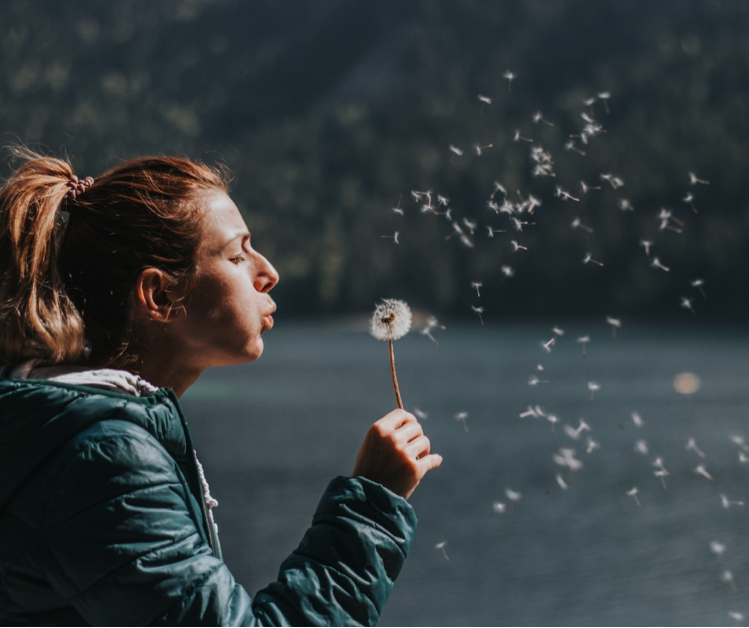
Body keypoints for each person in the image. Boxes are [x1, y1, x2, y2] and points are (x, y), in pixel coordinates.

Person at [0, 149, 443, 626]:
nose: (268, 272)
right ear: (160, 296)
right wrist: (371, 506)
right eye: (237, 254)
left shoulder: (69, 430)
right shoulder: (107, 466)